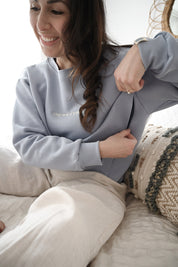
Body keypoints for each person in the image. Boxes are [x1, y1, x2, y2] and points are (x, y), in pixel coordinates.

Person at [0, 0, 177, 266]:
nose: (40, 24)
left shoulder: (124, 70)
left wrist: (146, 50)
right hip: (43, 169)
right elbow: (28, 144)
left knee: (56, 232)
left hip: (93, 185)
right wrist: (98, 150)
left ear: (83, 18)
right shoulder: (32, 78)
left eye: (56, 11)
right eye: (34, 7)